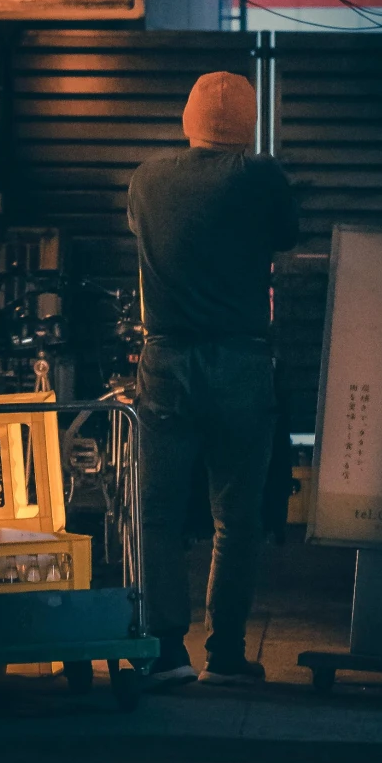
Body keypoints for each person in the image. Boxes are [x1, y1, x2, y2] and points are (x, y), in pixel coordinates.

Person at [127, 70, 298, 686]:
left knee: (159, 515)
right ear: (247, 128)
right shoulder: (260, 178)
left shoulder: (147, 179)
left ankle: (165, 651)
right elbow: (287, 236)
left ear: (189, 120)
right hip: (242, 363)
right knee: (237, 517)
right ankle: (225, 653)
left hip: (166, 359)